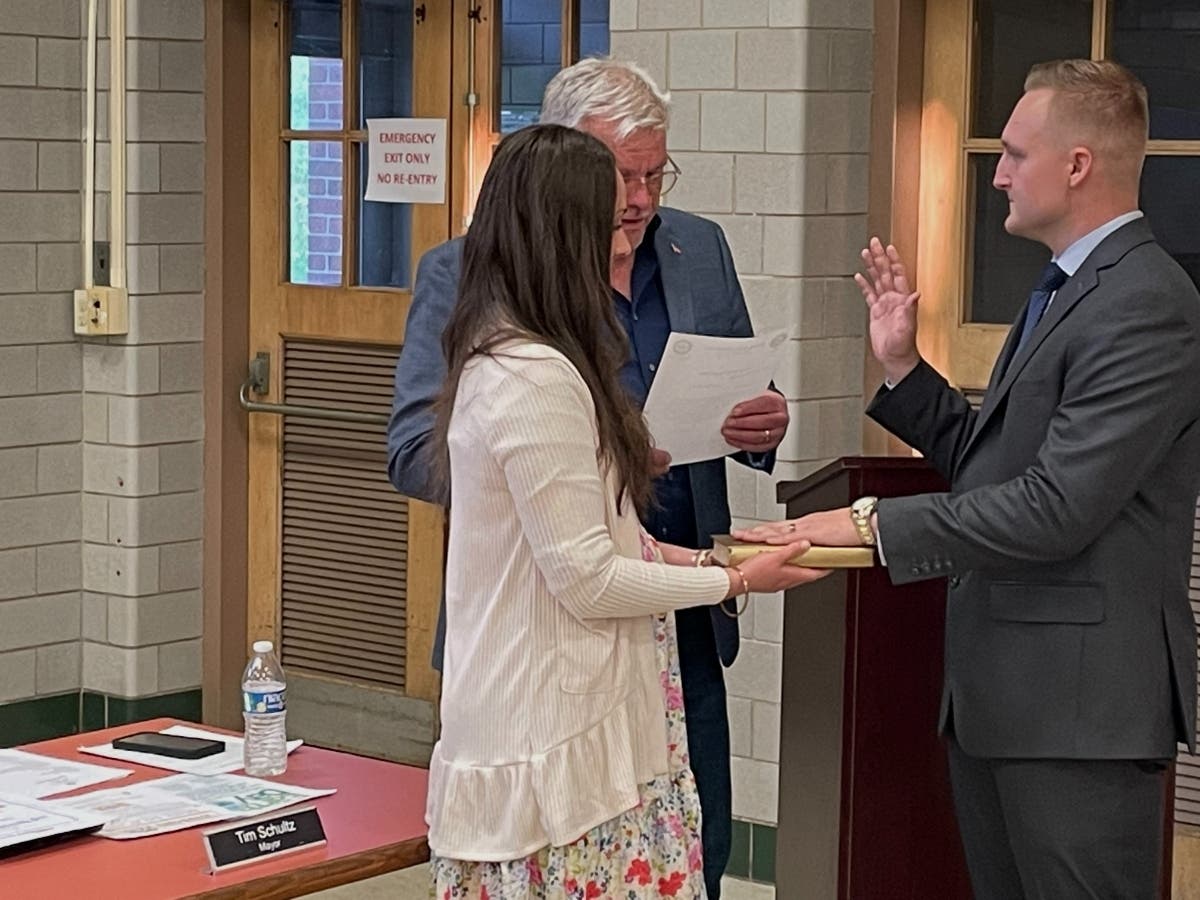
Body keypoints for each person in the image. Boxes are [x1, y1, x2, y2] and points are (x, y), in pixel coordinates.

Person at [736, 59, 1200, 899]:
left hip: (1078, 716)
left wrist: (872, 525)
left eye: (1017, 153)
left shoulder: (1145, 300)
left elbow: (1057, 508)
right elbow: (1002, 465)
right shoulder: (1065, 287)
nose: (998, 173)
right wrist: (904, 367)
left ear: (1078, 165)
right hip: (1011, 701)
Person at [388, 58, 787, 896]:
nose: (637, 202)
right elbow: (421, 450)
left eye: (653, 174)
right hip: (549, 640)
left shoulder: (697, 247)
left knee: (684, 838)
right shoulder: (484, 302)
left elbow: (736, 380)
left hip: (672, 594)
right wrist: (569, 467)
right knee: (573, 844)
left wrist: (755, 429)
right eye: (618, 182)